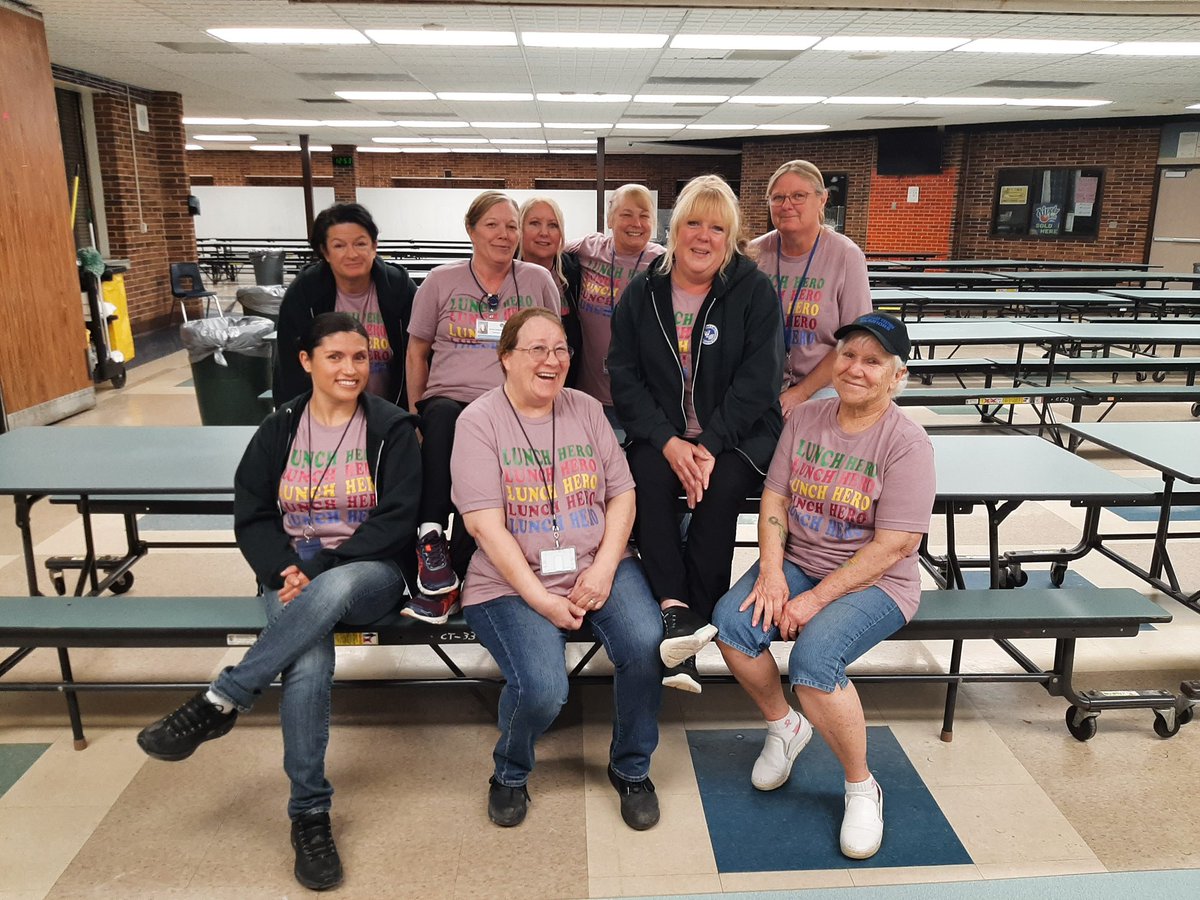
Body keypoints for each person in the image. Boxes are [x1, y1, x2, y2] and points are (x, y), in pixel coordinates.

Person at [137, 312, 421, 892]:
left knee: (335, 587)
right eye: (336, 357)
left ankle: (224, 697)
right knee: (308, 662)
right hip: (289, 574)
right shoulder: (280, 428)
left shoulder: (391, 427)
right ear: (306, 362)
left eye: (360, 358)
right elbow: (255, 512)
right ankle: (310, 816)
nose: (350, 368)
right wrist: (282, 568)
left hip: (369, 575)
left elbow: (398, 519)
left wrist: (314, 570)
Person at [711, 311, 934, 861]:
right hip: (800, 561)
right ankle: (783, 726)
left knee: (813, 665)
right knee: (732, 626)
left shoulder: (907, 443)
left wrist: (813, 598)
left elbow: (895, 545)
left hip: (876, 581)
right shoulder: (806, 418)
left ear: (897, 376)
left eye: (873, 361)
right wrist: (769, 571)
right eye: (848, 355)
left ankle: (861, 786)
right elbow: (776, 498)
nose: (856, 368)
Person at [451, 307, 663, 831]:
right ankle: (510, 772)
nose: (553, 360)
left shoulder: (587, 410)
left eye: (562, 348)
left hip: (595, 563)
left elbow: (623, 495)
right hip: (509, 581)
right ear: (505, 358)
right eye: (538, 349)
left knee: (643, 641)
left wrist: (605, 568)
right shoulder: (477, 422)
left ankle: (632, 768)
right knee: (545, 688)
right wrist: (542, 599)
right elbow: (485, 527)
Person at [608, 175, 783, 693]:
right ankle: (674, 611)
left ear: (729, 238)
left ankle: (698, 614)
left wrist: (708, 445)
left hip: (737, 435)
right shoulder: (644, 291)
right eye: (693, 224)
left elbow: (760, 381)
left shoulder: (752, 290)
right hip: (662, 435)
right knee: (645, 478)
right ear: (675, 229)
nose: (702, 237)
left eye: (716, 227)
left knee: (721, 487)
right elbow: (624, 374)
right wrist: (667, 441)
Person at [404, 191, 561, 624]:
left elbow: (554, 348)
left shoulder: (535, 281)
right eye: (492, 224)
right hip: (448, 403)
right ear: (471, 230)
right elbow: (417, 352)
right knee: (447, 420)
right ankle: (431, 536)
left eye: (512, 225)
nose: (504, 234)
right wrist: (418, 413)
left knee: (493, 460)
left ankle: (454, 574)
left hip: (511, 405)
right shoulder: (439, 281)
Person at [749, 160, 871, 418]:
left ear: (822, 199)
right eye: (778, 197)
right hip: (761, 384)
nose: (786, 205)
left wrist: (801, 392)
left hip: (824, 386)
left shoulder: (846, 256)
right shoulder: (753, 254)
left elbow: (854, 340)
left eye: (798, 196)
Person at [274, 203, 418, 408]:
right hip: (327, 414)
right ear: (325, 252)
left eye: (360, 244)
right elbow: (291, 366)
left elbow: (417, 354)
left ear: (374, 246)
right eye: (339, 246)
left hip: (391, 412)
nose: (352, 254)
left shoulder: (399, 287)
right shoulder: (306, 291)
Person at [565, 184, 665, 424]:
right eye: (626, 214)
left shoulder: (664, 263)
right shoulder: (589, 248)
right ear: (609, 219)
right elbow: (547, 251)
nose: (636, 223)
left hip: (642, 398)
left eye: (644, 216)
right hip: (589, 399)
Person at [517, 196, 584, 387]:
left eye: (553, 225)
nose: (544, 233)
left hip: (565, 383)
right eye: (534, 223)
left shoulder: (574, 272)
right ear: (519, 230)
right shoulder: (503, 272)